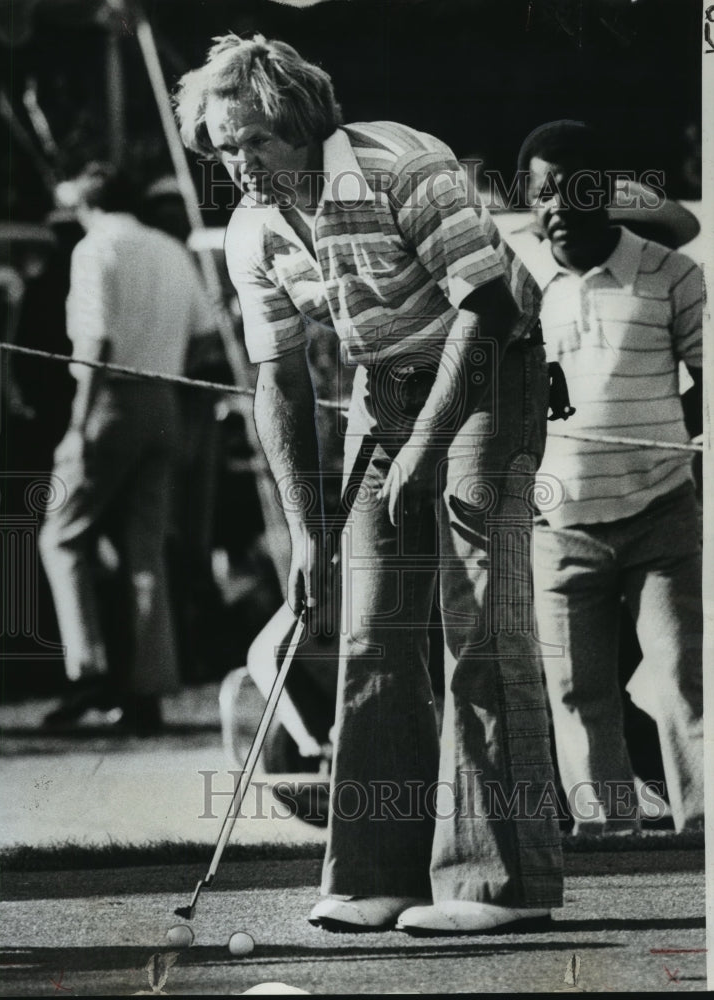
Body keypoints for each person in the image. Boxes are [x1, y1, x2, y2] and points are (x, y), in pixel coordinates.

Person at [175, 35, 563, 934]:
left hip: (489, 377)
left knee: (479, 627)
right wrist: (306, 529)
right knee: (371, 632)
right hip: (380, 389)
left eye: (254, 142)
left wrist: (427, 446)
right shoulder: (252, 228)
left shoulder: (402, 166)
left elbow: (489, 308)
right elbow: (278, 380)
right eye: (223, 148)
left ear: (302, 123)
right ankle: (376, 875)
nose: (240, 165)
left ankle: (497, 888)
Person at [516, 121, 704, 834]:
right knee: (574, 690)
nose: (558, 204)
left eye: (575, 188)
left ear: (607, 195)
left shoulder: (670, 273)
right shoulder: (518, 283)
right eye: (542, 193)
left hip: (660, 514)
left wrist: (671, 429)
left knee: (683, 680)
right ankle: (611, 841)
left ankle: (702, 835)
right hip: (556, 527)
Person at [39, 162, 212, 734]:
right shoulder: (168, 249)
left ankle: (88, 669)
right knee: (145, 550)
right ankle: (147, 689)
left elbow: (95, 341)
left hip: (111, 399)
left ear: (87, 205)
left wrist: (76, 426)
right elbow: (201, 334)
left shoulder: (94, 251)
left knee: (62, 535)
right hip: (165, 400)